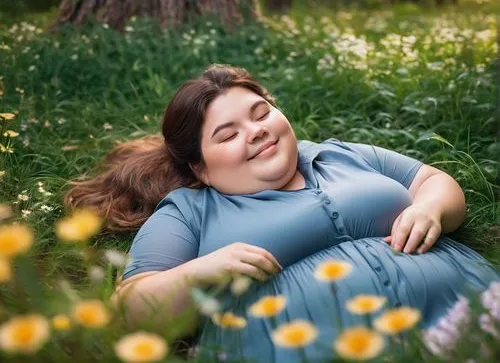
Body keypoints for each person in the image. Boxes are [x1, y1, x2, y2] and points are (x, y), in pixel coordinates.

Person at [66, 64, 499, 362]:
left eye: (260, 113)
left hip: (470, 308)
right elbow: (129, 310)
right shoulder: (187, 211)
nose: (255, 131)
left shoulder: (339, 154)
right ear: (201, 167)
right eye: (228, 134)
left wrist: (430, 208)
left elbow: (432, 180)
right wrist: (200, 271)